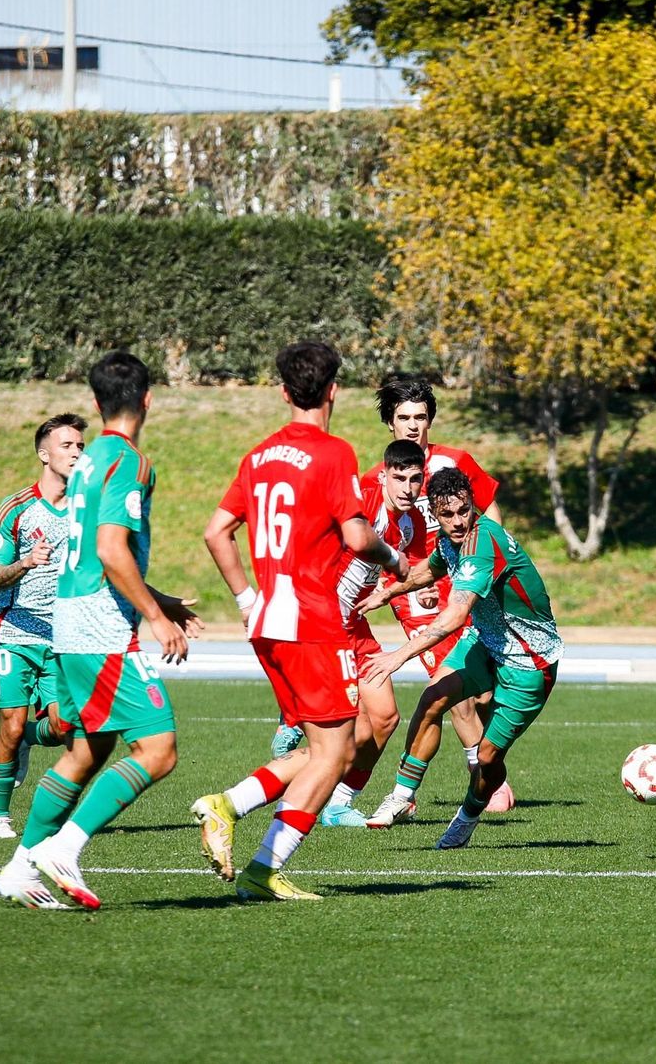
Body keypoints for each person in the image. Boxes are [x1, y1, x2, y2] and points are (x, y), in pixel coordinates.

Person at [194, 341, 407, 901]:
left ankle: (233, 805)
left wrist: (245, 598)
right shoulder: (334, 453)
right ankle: (262, 866)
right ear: (333, 390)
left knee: (320, 747)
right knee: (335, 753)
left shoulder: (258, 456)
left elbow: (217, 531)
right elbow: (359, 538)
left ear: (285, 391)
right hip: (313, 619)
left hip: (266, 619)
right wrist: (394, 560)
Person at [0, 352, 202, 910]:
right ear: (148, 399)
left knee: (88, 750)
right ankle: (66, 847)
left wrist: (160, 601)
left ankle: (19, 867)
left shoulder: (88, 461)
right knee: (158, 749)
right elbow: (110, 548)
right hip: (102, 629)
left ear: (95, 403)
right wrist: (154, 619)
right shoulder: (129, 460)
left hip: (69, 618)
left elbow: (89, 553)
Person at [359, 468, 564, 849]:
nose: (457, 521)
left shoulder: (482, 541)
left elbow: (454, 614)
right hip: (485, 641)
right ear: (435, 513)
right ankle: (402, 797)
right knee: (432, 697)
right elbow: (430, 569)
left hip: (528, 661)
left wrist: (399, 655)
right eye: (447, 514)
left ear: (472, 505)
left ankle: (467, 818)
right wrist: (388, 592)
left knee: (487, 760)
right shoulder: (449, 538)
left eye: (464, 511)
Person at [364, 377, 516, 811]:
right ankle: (484, 780)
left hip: (471, 584)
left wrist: (496, 563)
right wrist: (389, 581)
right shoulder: (379, 478)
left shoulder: (455, 461)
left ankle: (464, 767)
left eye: (420, 417)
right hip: (421, 596)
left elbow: (489, 511)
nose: (413, 426)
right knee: (455, 692)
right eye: (403, 418)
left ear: (431, 419)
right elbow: (373, 535)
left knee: (486, 691)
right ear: (389, 424)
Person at [0, 413, 86, 839]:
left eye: (81, 446)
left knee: (65, 729)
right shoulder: (17, 508)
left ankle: (27, 742)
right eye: (67, 446)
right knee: (11, 723)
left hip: (63, 639)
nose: (77, 453)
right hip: (15, 634)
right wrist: (24, 562)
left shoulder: (87, 508)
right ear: (44, 455)